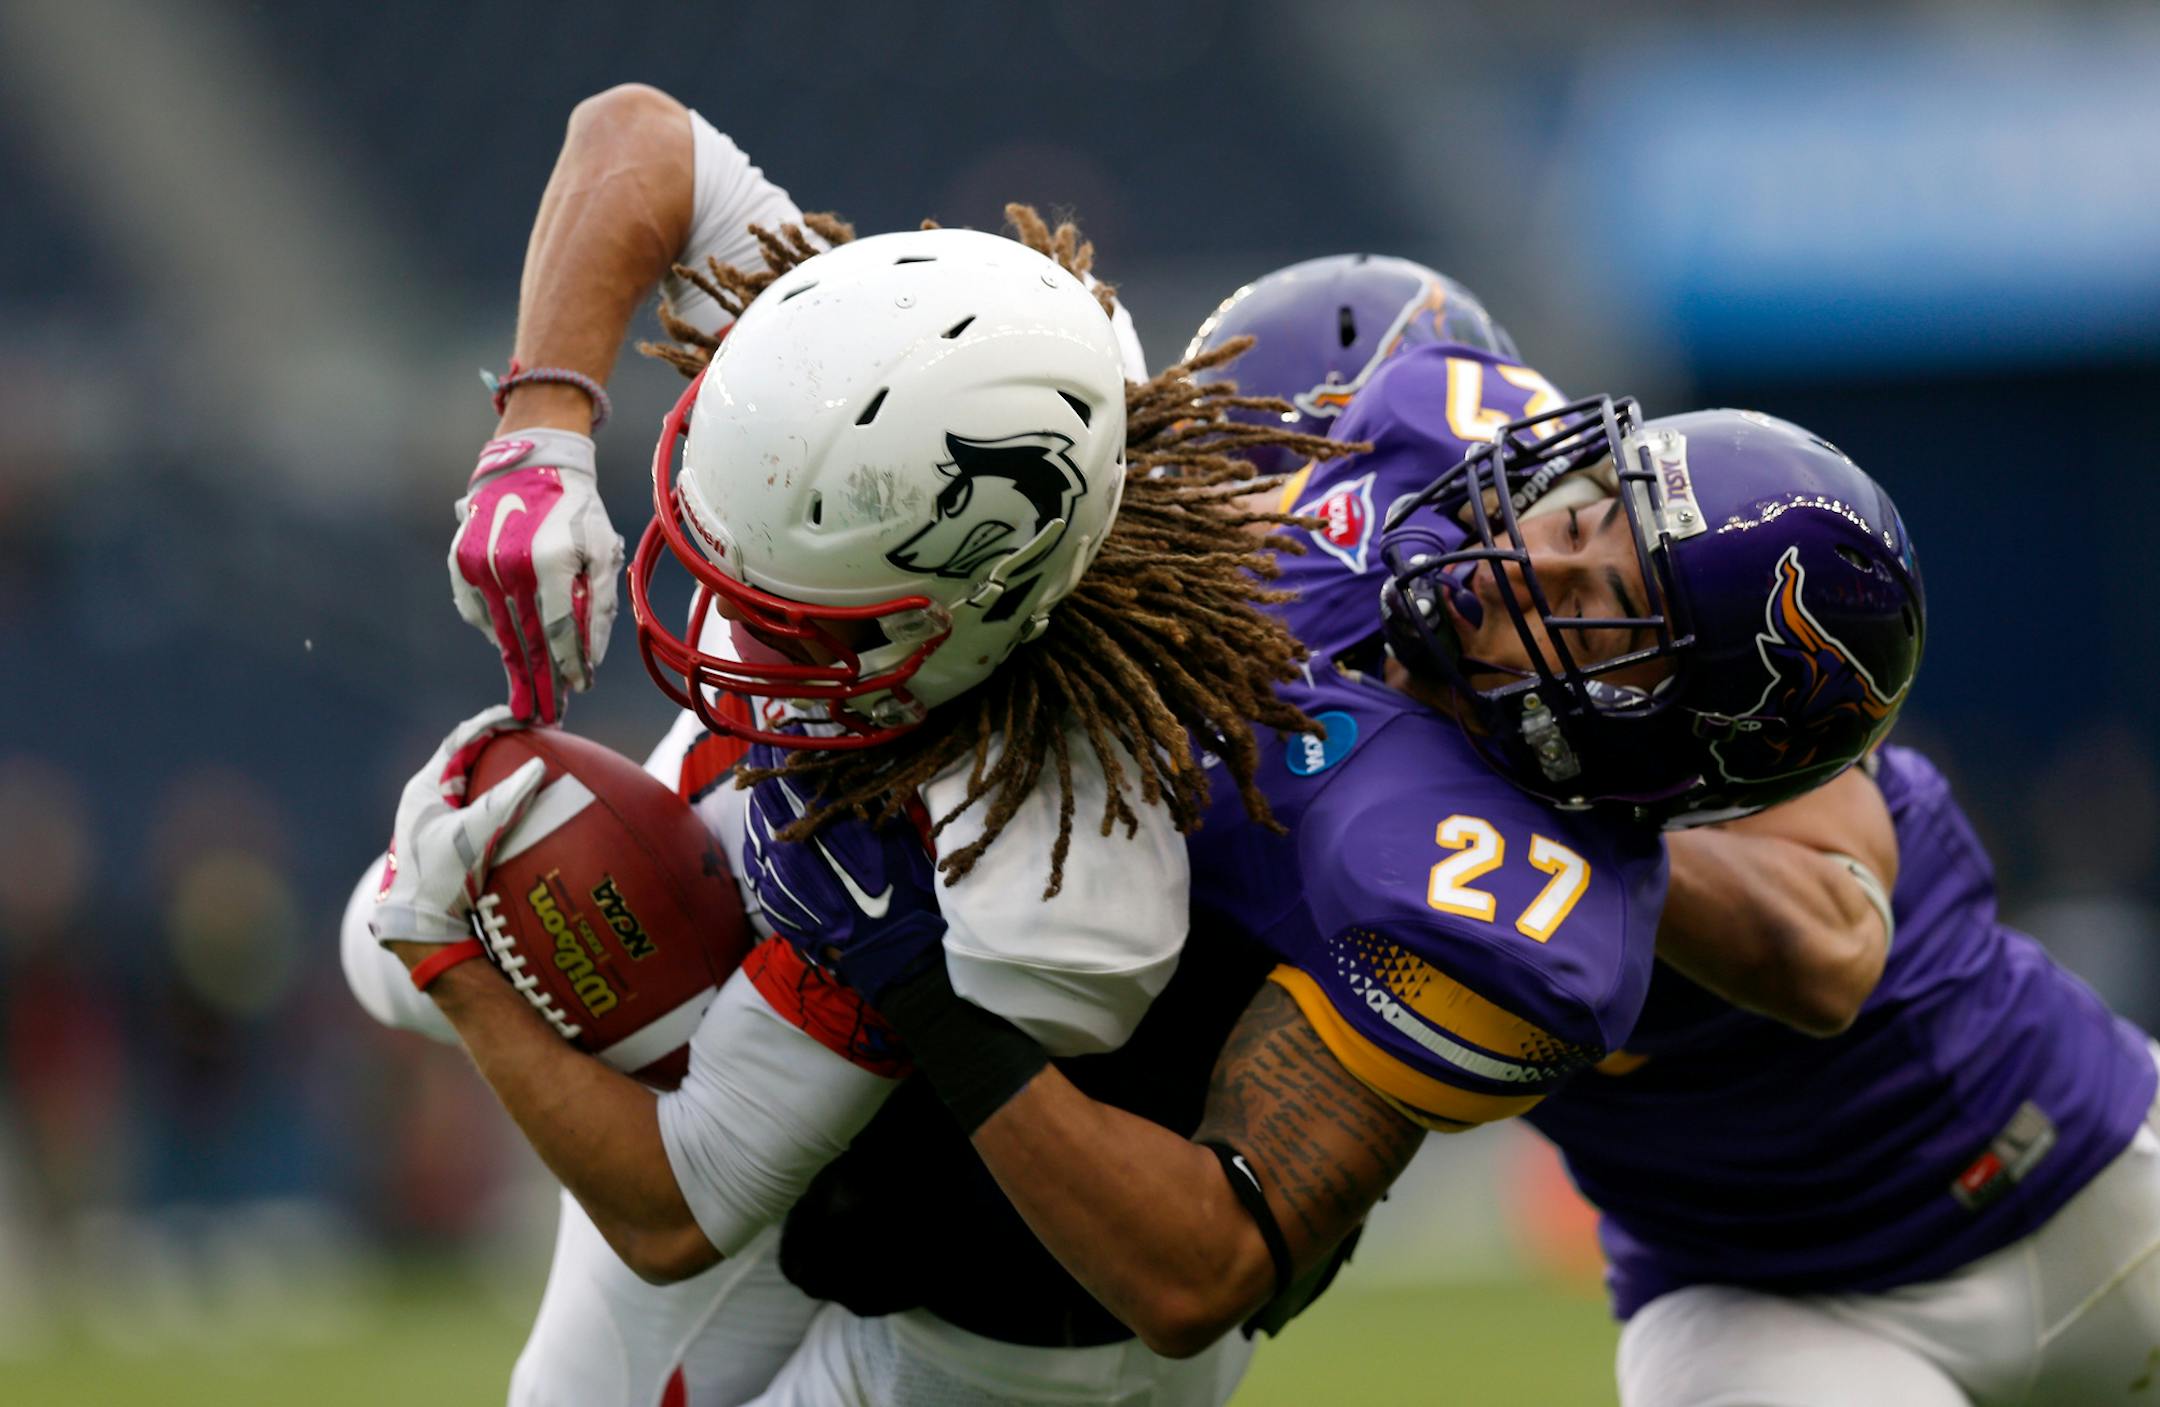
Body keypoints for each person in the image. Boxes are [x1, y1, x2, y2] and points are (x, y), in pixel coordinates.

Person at [354, 84, 1350, 1407]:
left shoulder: (1043, 859)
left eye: (789, 612)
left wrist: (462, 961)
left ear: (976, 619)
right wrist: (541, 424)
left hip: (992, 1280)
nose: (729, 628)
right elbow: (637, 135)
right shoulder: (906, 383)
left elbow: (688, 1195)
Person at [753, 303, 1926, 1363]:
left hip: (1017, 1311)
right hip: (824, 1089)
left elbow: (1194, 1272)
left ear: (1656, 732)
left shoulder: (1498, 892)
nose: (1529, 561)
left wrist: (910, 967)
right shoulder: (1423, 439)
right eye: (1582, 513)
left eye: (1595, 609)